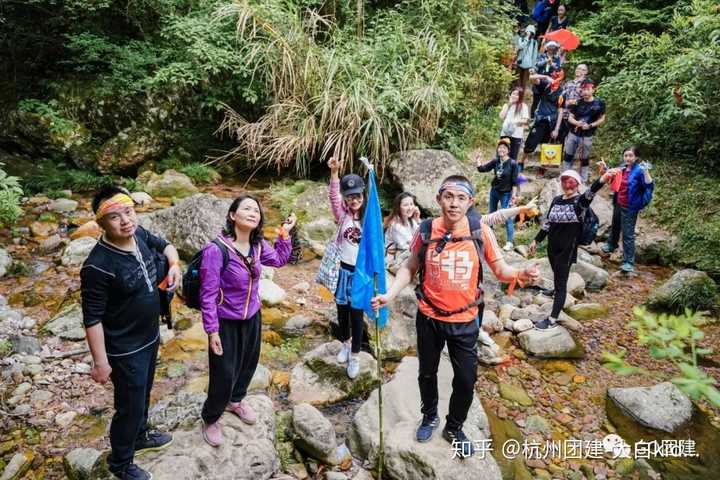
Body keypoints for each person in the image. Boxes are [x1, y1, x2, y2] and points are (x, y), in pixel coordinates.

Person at [371, 176, 539, 457]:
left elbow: (501, 270)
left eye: (461, 198)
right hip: (429, 317)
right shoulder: (426, 229)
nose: (454, 203)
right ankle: (429, 416)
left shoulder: (479, 230)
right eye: (448, 197)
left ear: (470, 202)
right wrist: (389, 295)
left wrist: (520, 274)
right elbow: (410, 267)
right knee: (427, 373)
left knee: (465, 379)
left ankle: (454, 426)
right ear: (438, 200)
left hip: (464, 319)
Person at [81, 186, 181, 480]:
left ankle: (140, 435)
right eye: (114, 217)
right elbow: (92, 319)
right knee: (128, 406)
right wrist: (101, 363)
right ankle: (120, 463)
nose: (125, 220)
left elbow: (166, 245)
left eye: (128, 211)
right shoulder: (97, 266)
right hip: (124, 350)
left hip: (150, 336)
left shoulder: (138, 235)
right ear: (101, 224)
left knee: (143, 394)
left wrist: (174, 265)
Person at [200, 195, 296, 447]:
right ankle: (211, 418)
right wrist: (212, 331)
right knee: (223, 373)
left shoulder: (258, 246)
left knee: (248, 364)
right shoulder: (216, 250)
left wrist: (284, 235)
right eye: (247, 208)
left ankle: (236, 401)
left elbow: (279, 260)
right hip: (225, 322)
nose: (254, 212)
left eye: (256, 210)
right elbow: (207, 295)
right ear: (232, 215)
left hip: (252, 316)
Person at [528, 169, 616, 329]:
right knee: (557, 274)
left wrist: (602, 178)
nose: (568, 187)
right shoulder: (556, 200)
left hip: (567, 250)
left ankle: (552, 320)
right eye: (565, 182)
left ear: (577, 186)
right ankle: (555, 290)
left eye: (572, 184)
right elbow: (548, 223)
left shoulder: (579, 203)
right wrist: (536, 240)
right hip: (552, 246)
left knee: (562, 284)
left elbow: (591, 192)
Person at [327, 156, 367, 379]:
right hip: (342, 270)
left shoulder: (368, 219)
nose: (354, 200)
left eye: (357, 196)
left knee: (357, 315)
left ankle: (355, 356)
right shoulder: (342, 217)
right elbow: (333, 197)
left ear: (363, 196)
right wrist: (334, 174)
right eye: (349, 196)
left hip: (359, 274)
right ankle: (345, 343)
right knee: (342, 313)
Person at [601, 146, 655, 273]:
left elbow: (649, 185)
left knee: (628, 233)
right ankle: (611, 245)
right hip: (619, 202)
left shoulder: (640, 170)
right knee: (615, 225)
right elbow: (614, 177)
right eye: (626, 155)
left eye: (630, 156)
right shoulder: (622, 167)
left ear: (636, 157)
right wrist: (605, 168)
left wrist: (646, 171)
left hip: (631, 206)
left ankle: (628, 262)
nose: (628, 158)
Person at [477, 138, 521, 251]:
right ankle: (489, 238)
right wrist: (478, 160)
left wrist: (514, 196)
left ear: (508, 150)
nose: (501, 149)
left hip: (506, 194)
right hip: (494, 191)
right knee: (491, 215)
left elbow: (515, 182)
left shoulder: (513, 164)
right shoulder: (495, 161)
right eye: (500, 147)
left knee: (507, 217)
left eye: (504, 148)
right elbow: (482, 169)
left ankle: (509, 242)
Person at [562, 79, 606, 182]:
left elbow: (602, 118)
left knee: (584, 158)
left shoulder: (599, 103)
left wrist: (590, 125)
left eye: (588, 89)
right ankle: (565, 176)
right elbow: (570, 117)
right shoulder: (577, 102)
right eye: (583, 89)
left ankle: (583, 180)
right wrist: (577, 123)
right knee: (568, 154)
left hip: (587, 135)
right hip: (573, 133)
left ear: (593, 90)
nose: (585, 91)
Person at [521, 69, 565, 170]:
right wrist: (545, 77)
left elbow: (561, 111)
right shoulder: (545, 85)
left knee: (546, 146)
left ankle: (542, 168)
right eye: (554, 76)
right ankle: (521, 162)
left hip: (552, 122)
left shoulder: (562, 92)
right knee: (530, 143)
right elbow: (530, 78)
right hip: (540, 119)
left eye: (558, 77)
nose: (555, 79)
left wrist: (557, 129)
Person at [384, 192, 421, 274]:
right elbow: (412, 245)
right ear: (398, 207)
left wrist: (417, 219)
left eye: (412, 204)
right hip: (394, 262)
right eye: (406, 205)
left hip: (404, 257)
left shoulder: (409, 220)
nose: (410, 207)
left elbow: (420, 236)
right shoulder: (395, 225)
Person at [557, 64, 589, 145]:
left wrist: (575, 102)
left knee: (573, 141)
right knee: (561, 138)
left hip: (577, 116)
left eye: (582, 70)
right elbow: (561, 98)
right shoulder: (568, 83)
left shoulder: (586, 84)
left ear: (586, 72)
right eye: (578, 68)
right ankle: (560, 157)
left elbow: (588, 99)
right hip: (564, 114)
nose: (579, 70)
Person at [530, 40, 562, 119]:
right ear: (547, 48)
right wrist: (546, 61)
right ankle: (531, 117)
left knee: (544, 101)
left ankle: (540, 118)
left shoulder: (557, 58)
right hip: (540, 79)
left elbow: (558, 69)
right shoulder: (541, 56)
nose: (551, 49)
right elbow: (537, 64)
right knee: (535, 100)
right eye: (550, 47)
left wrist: (552, 64)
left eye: (553, 48)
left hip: (550, 82)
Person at [499, 87, 530, 161]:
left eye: (517, 95)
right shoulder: (507, 105)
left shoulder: (523, 106)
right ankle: (500, 171)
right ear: (510, 95)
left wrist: (515, 122)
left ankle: (511, 172)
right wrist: (509, 104)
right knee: (501, 154)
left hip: (516, 135)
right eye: (513, 94)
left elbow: (525, 120)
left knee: (513, 156)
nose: (515, 96)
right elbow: (501, 116)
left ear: (520, 96)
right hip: (505, 133)